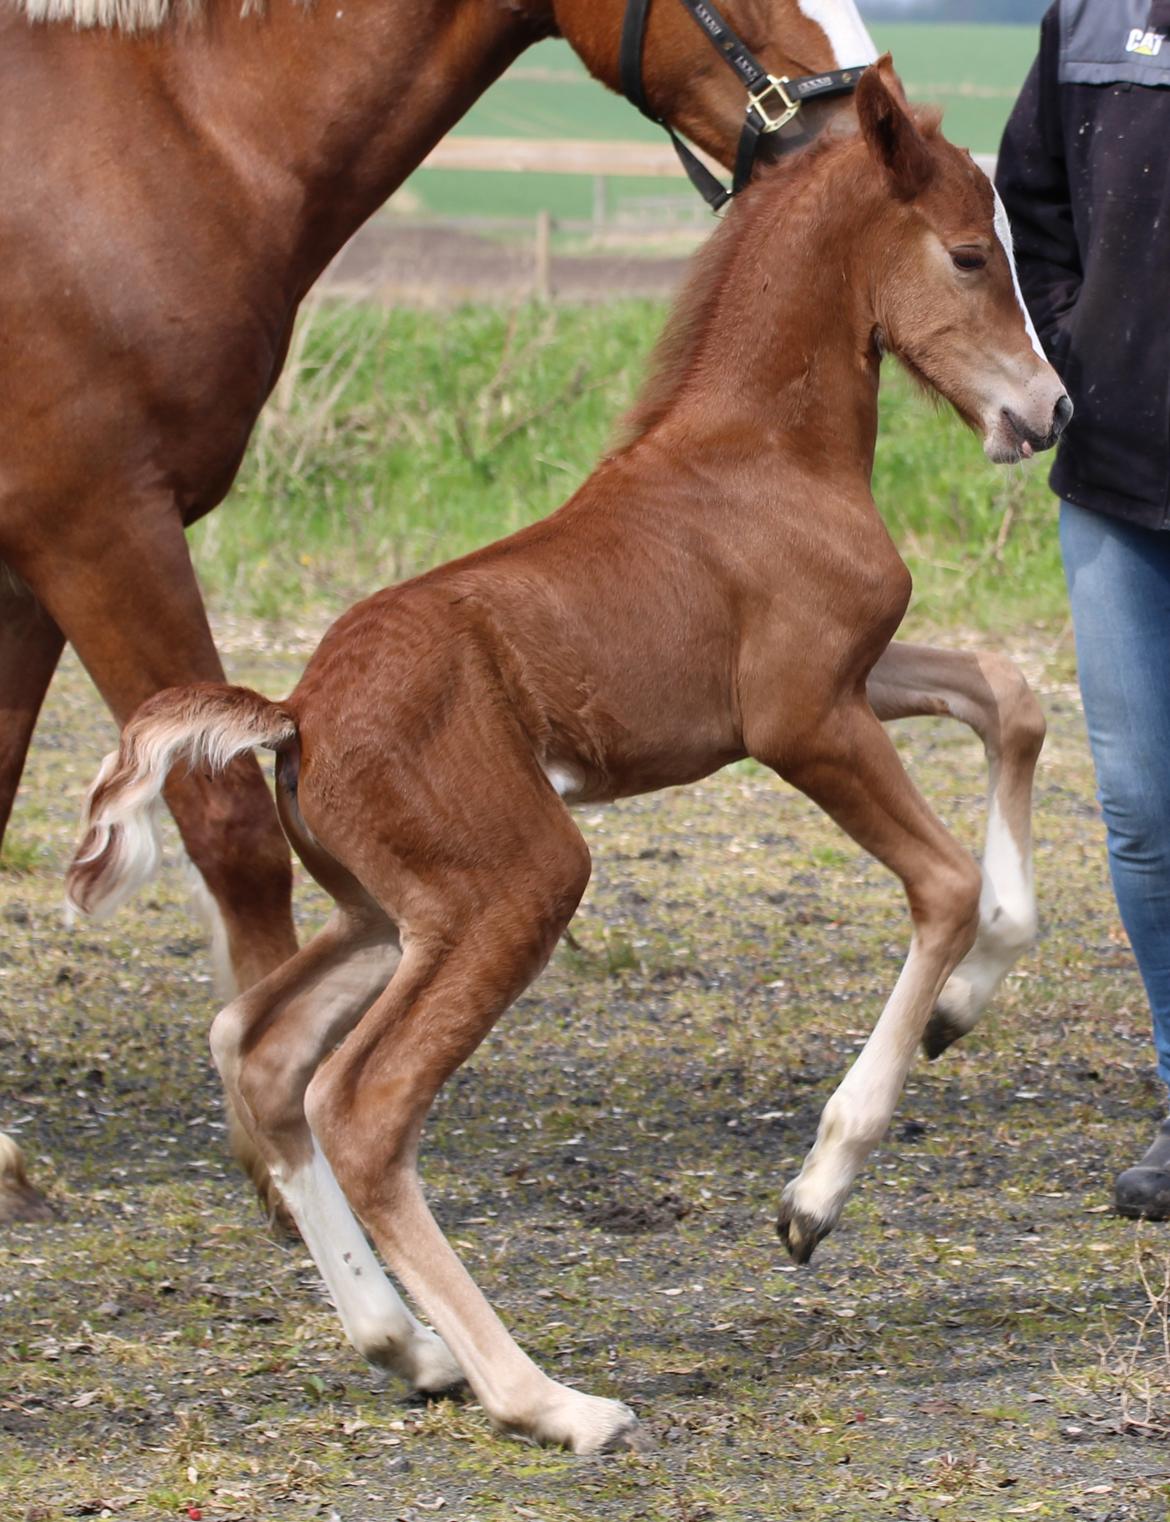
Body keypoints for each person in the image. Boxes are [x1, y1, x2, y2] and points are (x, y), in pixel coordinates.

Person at [997, 0, 1170, 1218]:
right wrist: (1073, 345)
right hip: (1117, 482)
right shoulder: (1089, 19)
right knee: (1145, 813)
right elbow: (1033, 194)